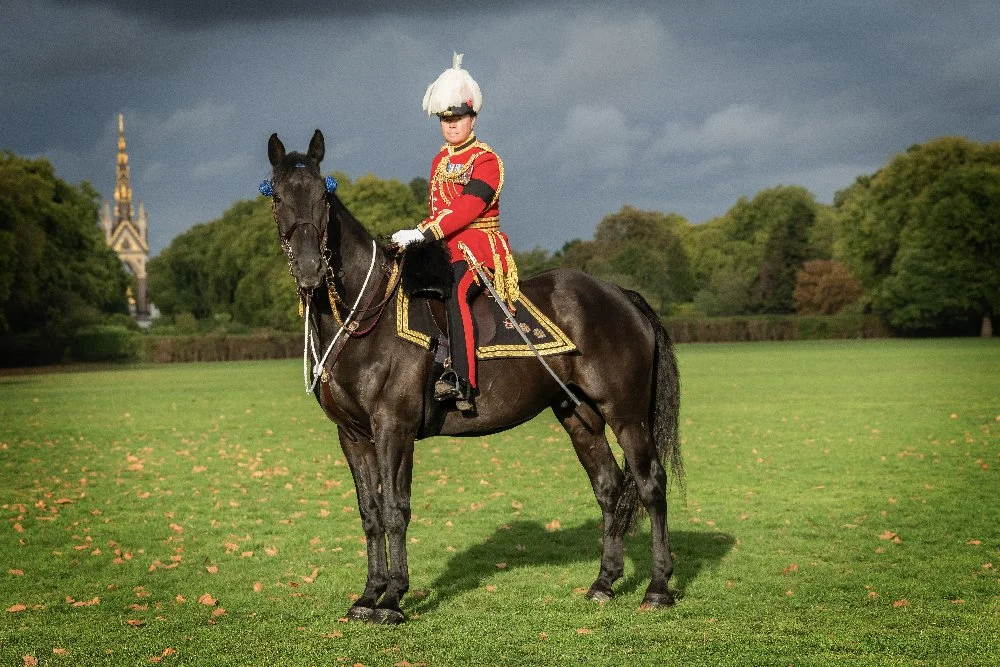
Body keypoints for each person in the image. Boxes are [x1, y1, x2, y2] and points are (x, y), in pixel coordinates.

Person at [392, 52, 518, 411]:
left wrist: (423, 233)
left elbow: (466, 210)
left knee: (456, 291)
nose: (451, 125)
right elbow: (438, 212)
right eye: (445, 120)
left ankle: (462, 379)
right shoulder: (439, 160)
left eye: (458, 118)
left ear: (472, 117)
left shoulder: (486, 160)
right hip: (445, 247)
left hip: (480, 248)